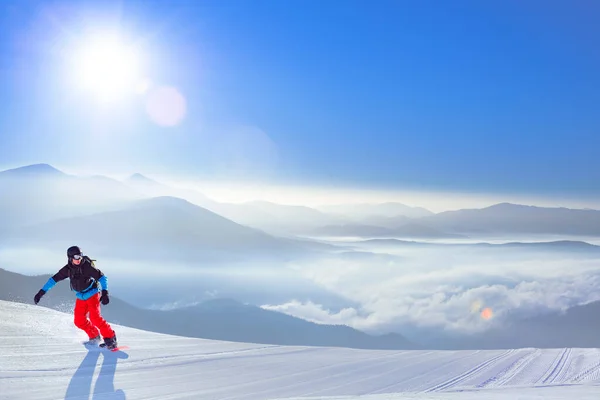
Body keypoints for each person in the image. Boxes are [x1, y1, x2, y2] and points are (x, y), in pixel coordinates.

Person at [33, 245, 118, 350]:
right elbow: (53, 280)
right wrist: (41, 292)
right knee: (79, 321)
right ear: (70, 258)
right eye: (76, 257)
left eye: (80, 256)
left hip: (92, 294)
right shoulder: (67, 269)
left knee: (94, 318)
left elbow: (102, 277)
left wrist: (105, 292)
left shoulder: (87, 267)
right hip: (81, 297)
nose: (79, 259)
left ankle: (111, 338)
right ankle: (94, 336)